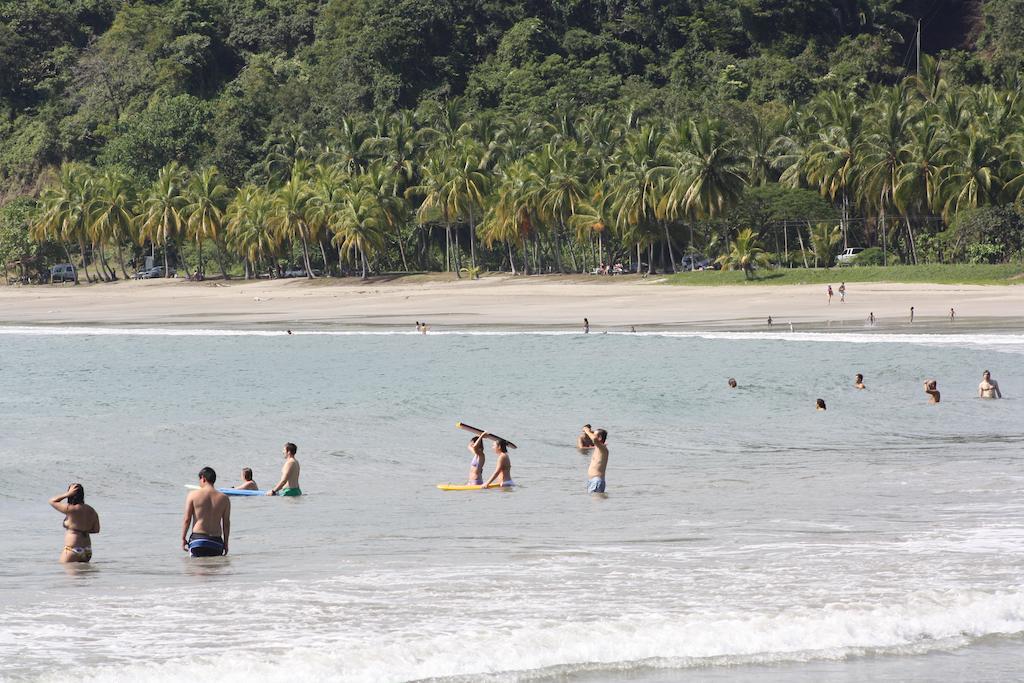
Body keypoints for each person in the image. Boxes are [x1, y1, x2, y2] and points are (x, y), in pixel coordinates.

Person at [182, 467, 230, 557]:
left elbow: (187, 519)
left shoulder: (192, 495)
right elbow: (226, 524)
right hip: (216, 542)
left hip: (198, 541)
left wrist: (183, 538)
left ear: (203, 478)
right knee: (214, 570)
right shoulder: (224, 498)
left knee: (197, 569)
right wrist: (226, 543)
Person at [49, 483, 99, 563]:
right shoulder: (91, 510)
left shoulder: (70, 509)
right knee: (84, 575)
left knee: (64, 573)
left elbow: (52, 501)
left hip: (73, 550)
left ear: (71, 494)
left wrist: (67, 494)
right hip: (87, 550)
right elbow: (96, 530)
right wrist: (82, 530)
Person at [582, 426, 609, 493]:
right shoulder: (598, 447)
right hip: (592, 480)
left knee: (595, 502)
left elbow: (594, 439)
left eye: (594, 434)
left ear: (599, 438)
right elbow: (594, 438)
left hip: (596, 481)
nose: (592, 435)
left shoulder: (603, 449)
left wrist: (587, 430)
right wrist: (590, 432)